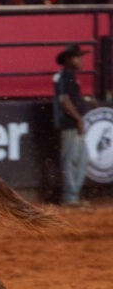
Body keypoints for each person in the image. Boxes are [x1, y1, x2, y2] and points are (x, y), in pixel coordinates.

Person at [52, 43, 93, 205]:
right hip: (70, 123)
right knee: (72, 160)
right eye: (78, 56)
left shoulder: (65, 75)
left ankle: (73, 195)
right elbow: (64, 100)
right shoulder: (67, 75)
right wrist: (78, 118)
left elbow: (67, 98)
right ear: (69, 59)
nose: (81, 60)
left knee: (81, 158)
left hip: (71, 122)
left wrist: (87, 102)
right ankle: (70, 197)